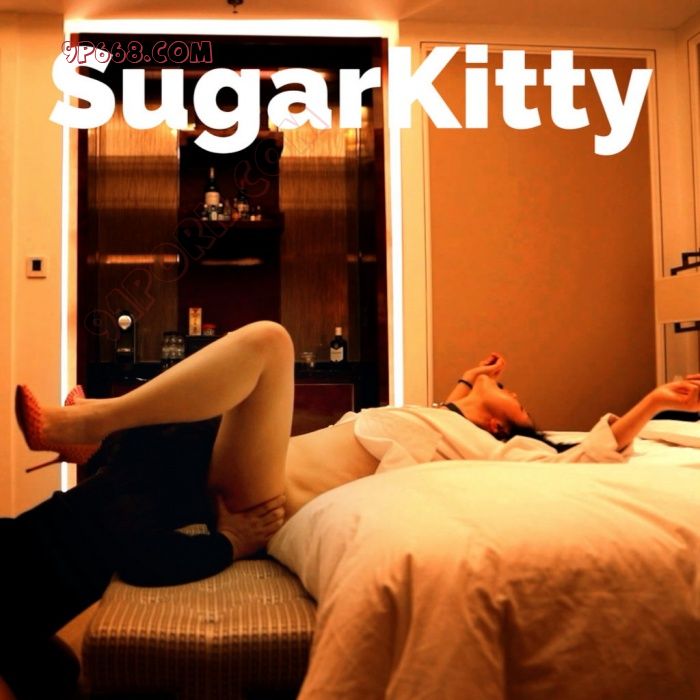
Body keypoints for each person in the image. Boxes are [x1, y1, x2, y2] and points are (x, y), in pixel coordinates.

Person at [9, 321, 700, 699]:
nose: (511, 391)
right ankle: (102, 441)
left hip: (265, 497)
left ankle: (90, 429)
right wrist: (476, 379)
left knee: (269, 344)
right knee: (211, 402)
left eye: (515, 400)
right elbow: (453, 401)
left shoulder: (490, 449)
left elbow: (573, 464)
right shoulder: (438, 415)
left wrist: (653, 405)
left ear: (499, 427)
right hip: (246, 469)